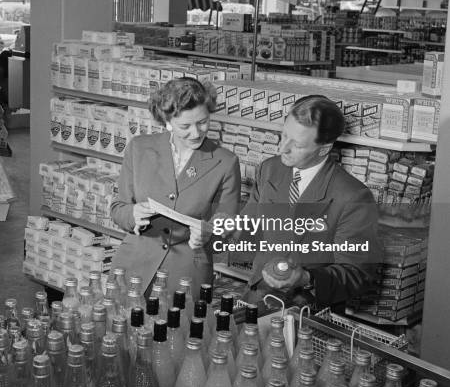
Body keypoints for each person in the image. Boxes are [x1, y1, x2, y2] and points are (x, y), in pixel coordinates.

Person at [235, 94, 380, 311]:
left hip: (307, 311)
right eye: (283, 135)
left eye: (298, 145)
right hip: (257, 296)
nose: (282, 148)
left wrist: (305, 278)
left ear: (324, 149)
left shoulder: (353, 196)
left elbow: (357, 274)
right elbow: (249, 225)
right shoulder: (270, 169)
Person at [110, 77, 241, 297]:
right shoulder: (139, 148)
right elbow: (117, 208)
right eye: (185, 126)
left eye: (203, 122)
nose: (196, 132)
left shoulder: (225, 162)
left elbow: (228, 224)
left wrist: (210, 231)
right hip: (134, 265)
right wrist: (132, 214)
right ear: (167, 121)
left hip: (187, 274)